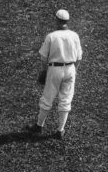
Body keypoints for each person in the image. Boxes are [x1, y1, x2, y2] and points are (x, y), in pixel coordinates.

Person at [32, 9, 83, 139]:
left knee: (47, 98)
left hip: (55, 69)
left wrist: (44, 71)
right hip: (70, 68)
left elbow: (43, 57)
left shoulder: (52, 36)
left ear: (56, 20)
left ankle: (39, 126)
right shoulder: (75, 35)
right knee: (66, 100)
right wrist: (74, 70)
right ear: (67, 21)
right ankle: (60, 130)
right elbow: (79, 57)